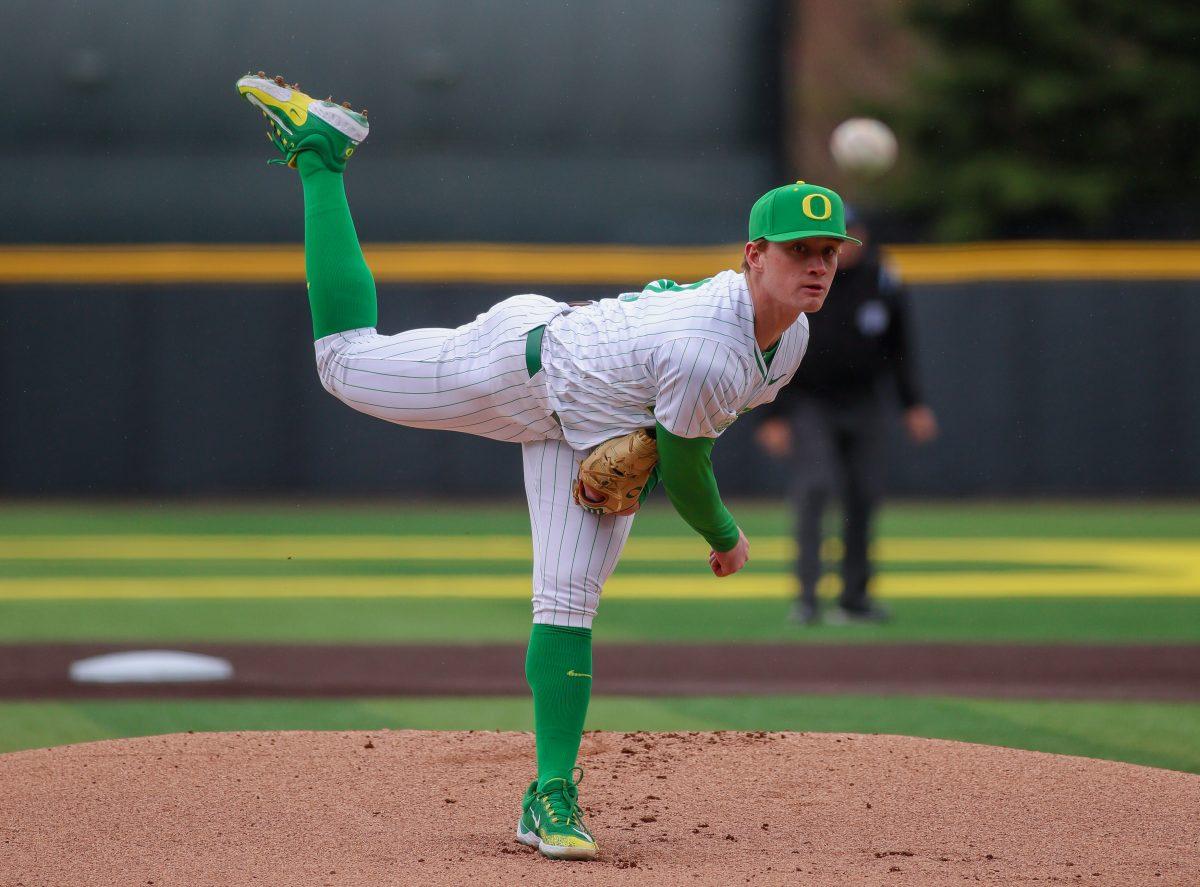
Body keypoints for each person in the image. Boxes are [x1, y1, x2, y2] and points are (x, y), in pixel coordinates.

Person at [235, 72, 858, 861]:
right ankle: (323, 155)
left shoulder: (791, 335)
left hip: (586, 423)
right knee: (344, 364)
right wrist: (726, 536)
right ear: (753, 256)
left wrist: (642, 436)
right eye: (799, 251)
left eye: (829, 252)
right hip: (519, 368)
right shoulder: (712, 346)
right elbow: (689, 462)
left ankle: (550, 795)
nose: (817, 265)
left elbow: (684, 399)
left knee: (567, 599)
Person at [754, 207, 938, 626]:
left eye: (851, 234)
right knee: (815, 488)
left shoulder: (882, 278)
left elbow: (900, 348)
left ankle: (855, 598)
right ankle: (806, 598)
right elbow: (768, 342)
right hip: (808, 401)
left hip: (864, 401)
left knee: (863, 495)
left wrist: (913, 404)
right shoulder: (805, 276)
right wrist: (771, 414)